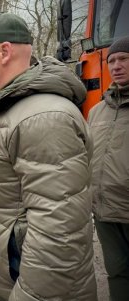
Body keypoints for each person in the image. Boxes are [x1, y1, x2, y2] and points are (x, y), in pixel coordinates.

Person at [0, 12, 97, 300]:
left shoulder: (42, 117)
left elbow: (58, 240)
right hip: (10, 282)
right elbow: (16, 187)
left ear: (4, 51)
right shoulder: (18, 109)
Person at [88, 35, 129, 301]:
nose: (116, 65)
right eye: (112, 60)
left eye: (124, 59)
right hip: (104, 210)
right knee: (117, 272)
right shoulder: (96, 111)